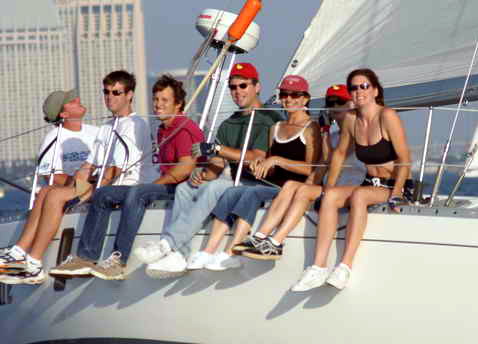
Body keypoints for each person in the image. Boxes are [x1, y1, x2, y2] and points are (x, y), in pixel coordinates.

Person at [0, 70, 156, 285]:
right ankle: (19, 253)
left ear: (129, 95)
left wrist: (82, 194)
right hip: (105, 184)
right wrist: (77, 186)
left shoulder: (133, 125)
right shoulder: (107, 127)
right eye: (106, 92)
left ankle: (34, 263)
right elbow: (87, 166)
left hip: (126, 186)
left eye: (116, 92)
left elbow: (115, 171)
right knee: (47, 191)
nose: (109, 97)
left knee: (55, 196)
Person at [133, 62, 281, 278]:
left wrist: (218, 149)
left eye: (243, 85)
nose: (237, 91)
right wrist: (202, 174)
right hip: (234, 180)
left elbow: (255, 158)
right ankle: (180, 255)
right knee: (185, 188)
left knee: (214, 188)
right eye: (233, 87)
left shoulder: (268, 119)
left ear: (257, 87)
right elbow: (217, 165)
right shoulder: (228, 124)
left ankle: (168, 243)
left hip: (258, 183)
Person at [49, 75, 203, 280]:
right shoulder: (163, 128)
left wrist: (152, 185)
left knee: (137, 192)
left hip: (185, 187)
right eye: (156, 99)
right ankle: (86, 257)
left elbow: (184, 169)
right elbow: (89, 168)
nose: (158, 105)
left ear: (178, 104)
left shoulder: (182, 128)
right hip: (167, 183)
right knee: (103, 194)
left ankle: (118, 261)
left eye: (165, 100)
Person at [290, 69, 412, 291]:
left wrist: (396, 193)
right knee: (330, 197)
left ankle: (344, 267)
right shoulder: (351, 119)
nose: (358, 91)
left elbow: (405, 159)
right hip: (369, 183)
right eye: (353, 88)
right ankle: (318, 267)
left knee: (359, 195)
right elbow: (339, 154)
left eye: (364, 86)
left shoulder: (387, 116)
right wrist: (328, 186)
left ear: (375, 91)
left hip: (394, 185)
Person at [186, 75, 321, 268]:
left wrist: (277, 160)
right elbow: (269, 165)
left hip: (293, 189)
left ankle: (232, 252)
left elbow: (311, 168)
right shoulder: (276, 127)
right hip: (273, 185)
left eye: (295, 95)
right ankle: (208, 251)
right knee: (233, 192)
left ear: (305, 98)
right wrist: (260, 165)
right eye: (284, 94)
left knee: (252, 192)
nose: (288, 99)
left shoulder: (311, 127)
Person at [236, 84, 364, 261]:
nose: (335, 106)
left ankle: (276, 241)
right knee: (290, 186)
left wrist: (324, 130)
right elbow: (324, 162)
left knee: (302, 191)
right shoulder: (333, 134)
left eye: (340, 102)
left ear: (352, 104)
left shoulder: (359, 131)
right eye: (330, 102)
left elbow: (335, 158)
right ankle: (260, 236)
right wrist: (326, 131)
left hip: (349, 188)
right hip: (331, 187)